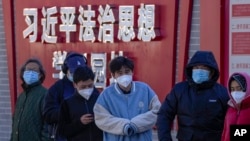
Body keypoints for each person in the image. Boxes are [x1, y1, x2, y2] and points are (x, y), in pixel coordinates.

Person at [156, 50, 230, 141]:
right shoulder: (179, 90)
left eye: (204, 68)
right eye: (196, 67)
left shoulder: (222, 93)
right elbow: (164, 115)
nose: (199, 71)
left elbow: (234, 119)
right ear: (191, 70)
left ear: (212, 72)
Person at [93, 56, 161, 141]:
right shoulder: (106, 95)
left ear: (132, 72)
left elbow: (157, 111)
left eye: (127, 71)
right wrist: (124, 126)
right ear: (113, 75)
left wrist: (136, 125)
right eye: (120, 73)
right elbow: (101, 118)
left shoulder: (145, 90)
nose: (124, 75)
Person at [43, 51, 87, 141]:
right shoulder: (57, 89)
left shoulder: (90, 88)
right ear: (66, 70)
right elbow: (48, 114)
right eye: (73, 71)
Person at [57, 66, 103, 141]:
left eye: (90, 86)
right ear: (75, 85)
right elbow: (62, 131)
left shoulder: (100, 99)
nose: (87, 89)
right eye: (83, 87)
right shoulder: (67, 103)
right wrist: (80, 123)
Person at [10, 58, 50, 141]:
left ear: (40, 75)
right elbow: (15, 124)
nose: (30, 73)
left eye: (34, 70)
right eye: (28, 70)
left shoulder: (45, 95)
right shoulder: (22, 96)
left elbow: (48, 126)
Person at [221, 72, 250, 141]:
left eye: (239, 88)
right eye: (232, 89)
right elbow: (225, 133)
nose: (235, 92)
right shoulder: (231, 109)